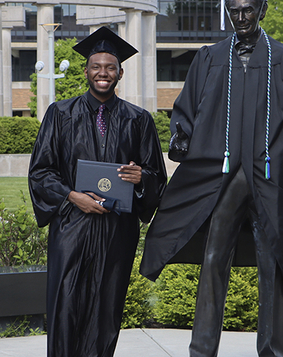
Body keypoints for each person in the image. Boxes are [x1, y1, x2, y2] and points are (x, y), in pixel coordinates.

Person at [140, 0, 283, 357]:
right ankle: (202, 350)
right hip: (225, 175)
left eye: (248, 9)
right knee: (213, 259)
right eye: (234, 11)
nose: (241, 18)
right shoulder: (210, 57)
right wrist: (181, 134)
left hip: (270, 177)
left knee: (272, 266)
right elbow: (187, 107)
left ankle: (273, 351)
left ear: (262, 7)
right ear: (226, 12)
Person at [28, 26, 167, 357]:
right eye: (96, 66)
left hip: (116, 230)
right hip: (71, 226)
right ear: (86, 70)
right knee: (65, 302)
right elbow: (40, 171)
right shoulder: (60, 114)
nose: (103, 73)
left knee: (107, 307)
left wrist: (140, 178)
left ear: (120, 72)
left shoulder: (139, 120)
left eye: (110, 67)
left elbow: (156, 177)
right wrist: (72, 196)